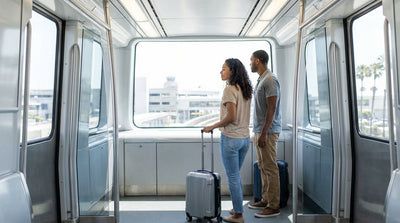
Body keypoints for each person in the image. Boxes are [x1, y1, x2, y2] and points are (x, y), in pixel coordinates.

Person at [203, 58, 253, 223]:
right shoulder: (245, 88)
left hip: (231, 138)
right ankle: (237, 207)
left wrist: (213, 126)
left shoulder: (230, 90)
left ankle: (238, 215)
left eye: (224, 68)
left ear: (232, 71)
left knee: (233, 177)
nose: (221, 71)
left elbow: (231, 117)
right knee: (235, 176)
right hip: (245, 139)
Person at [247, 50, 282, 218]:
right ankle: (265, 199)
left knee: (270, 167)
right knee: (262, 166)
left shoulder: (270, 80)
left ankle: (273, 206)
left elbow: (272, 108)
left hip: (267, 131)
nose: (250, 63)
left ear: (258, 61)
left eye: (251, 60)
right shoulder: (261, 79)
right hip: (260, 130)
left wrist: (264, 133)